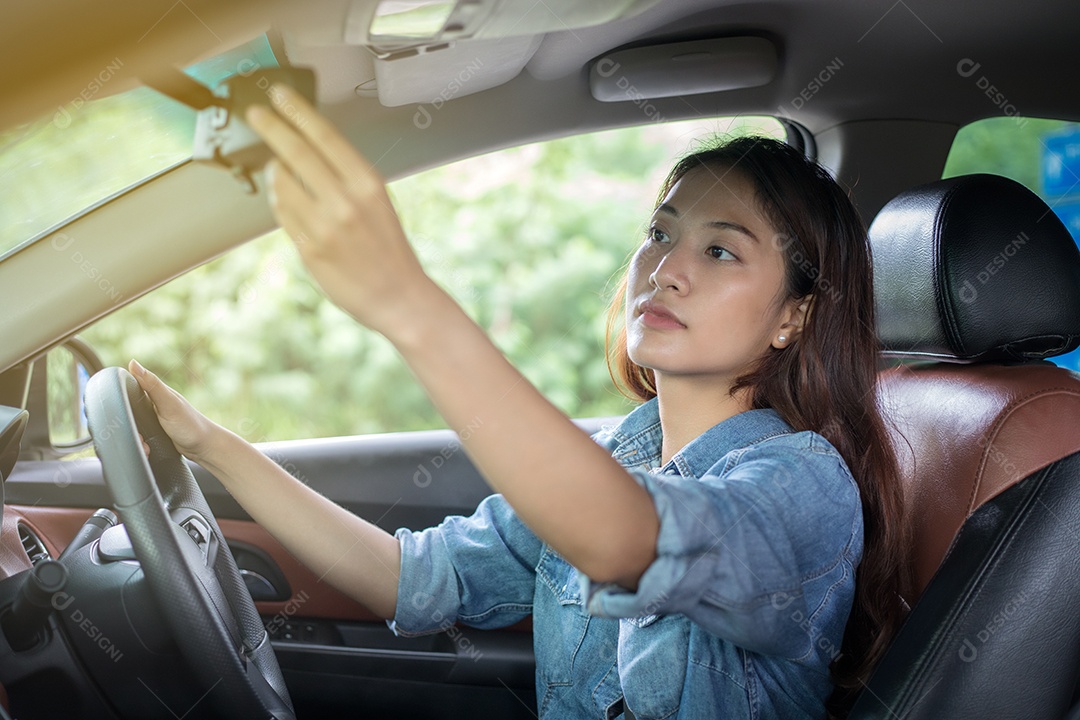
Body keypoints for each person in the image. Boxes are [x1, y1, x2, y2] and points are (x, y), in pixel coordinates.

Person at [130, 85, 906, 719]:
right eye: (660, 232)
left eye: (720, 249)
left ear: (792, 317)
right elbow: (411, 580)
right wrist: (209, 444)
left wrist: (408, 303)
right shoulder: (617, 458)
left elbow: (627, 541)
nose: (667, 268)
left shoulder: (803, 486)